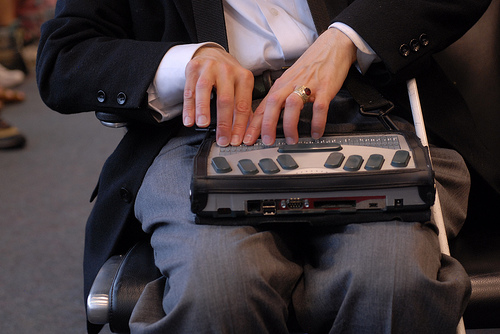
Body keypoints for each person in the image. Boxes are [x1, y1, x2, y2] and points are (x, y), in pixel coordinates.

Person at [36, 0, 491, 333]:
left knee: (390, 281)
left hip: (369, 107)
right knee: (220, 288)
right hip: (200, 129)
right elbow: (65, 56)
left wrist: (347, 39)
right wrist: (185, 61)